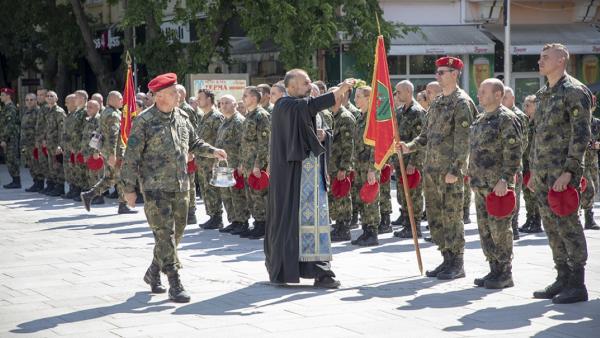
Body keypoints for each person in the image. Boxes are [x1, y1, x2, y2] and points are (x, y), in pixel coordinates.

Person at [121, 73, 227, 303]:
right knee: (165, 235)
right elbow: (131, 157)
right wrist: (128, 189)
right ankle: (174, 282)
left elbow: (194, 142)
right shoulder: (144, 121)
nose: (178, 96)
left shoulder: (181, 116)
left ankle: (152, 272)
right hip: (155, 187)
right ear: (159, 96)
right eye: (172, 93)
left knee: (175, 235)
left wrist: (213, 150)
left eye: (177, 92)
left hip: (181, 185)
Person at [265, 69, 352, 288]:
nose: (309, 84)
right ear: (291, 86)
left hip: (314, 178)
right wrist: (337, 93)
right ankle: (286, 269)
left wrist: (324, 136)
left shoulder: (306, 106)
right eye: (305, 82)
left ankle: (320, 271)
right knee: (293, 222)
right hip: (293, 178)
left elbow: (318, 130)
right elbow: (306, 109)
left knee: (317, 223)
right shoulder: (284, 106)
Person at [398, 56, 478, 280]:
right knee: (435, 217)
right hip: (431, 171)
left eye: (442, 72)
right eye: (438, 72)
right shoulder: (438, 102)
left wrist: (456, 169)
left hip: (448, 173)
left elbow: (464, 141)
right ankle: (446, 258)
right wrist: (409, 147)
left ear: (454, 74)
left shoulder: (462, 103)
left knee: (451, 216)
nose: (438, 76)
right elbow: (426, 135)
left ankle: (457, 262)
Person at [528, 43, 590, 304]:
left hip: (562, 174)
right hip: (543, 174)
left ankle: (577, 283)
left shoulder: (574, 91)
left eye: (545, 57)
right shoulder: (543, 94)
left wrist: (570, 170)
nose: (540, 61)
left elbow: (581, 134)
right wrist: (532, 170)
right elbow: (538, 136)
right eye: (540, 57)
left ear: (561, 60)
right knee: (551, 227)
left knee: (568, 226)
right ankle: (562, 276)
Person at [470, 78, 523, 289]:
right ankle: (493, 269)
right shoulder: (480, 119)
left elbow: (515, 152)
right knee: (485, 230)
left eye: (484, 91)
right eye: (480, 91)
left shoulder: (506, 119)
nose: (479, 94)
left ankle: (505, 273)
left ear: (498, 95)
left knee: (500, 229)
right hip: (481, 185)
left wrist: (505, 179)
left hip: (497, 186)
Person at [81, 91, 137, 214]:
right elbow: (113, 136)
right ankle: (123, 205)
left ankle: (89, 195)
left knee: (110, 178)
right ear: (112, 100)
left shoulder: (107, 112)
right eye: (120, 98)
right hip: (115, 152)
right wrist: (113, 155)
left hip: (107, 151)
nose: (122, 101)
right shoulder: (113, 115)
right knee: (123, 177)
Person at [392, 80, 427, 239]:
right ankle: (407, 222)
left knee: (413, 194)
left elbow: (421, 140)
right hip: (400, 160)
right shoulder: (399, 111)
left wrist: (413, 163)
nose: (397, 95)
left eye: (399, 92)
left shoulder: (417, 112)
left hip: (412, 162)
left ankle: (415, 226)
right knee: (403, 193)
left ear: (408, 92)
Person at [351, 85, 382, 246]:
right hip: (359, 165)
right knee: (361, 197)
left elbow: (376, 146)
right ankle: (365, 230)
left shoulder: (373, 118)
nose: (355, 99)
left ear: (369, 98)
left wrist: (372, 168)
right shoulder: (360, 117)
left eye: (358, 96)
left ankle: (372, 233)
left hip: (369, 166)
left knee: (370, 199)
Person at [238, 86, 271, 238]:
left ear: (253, 98)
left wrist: (259, 164)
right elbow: (245, 143)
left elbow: (264, 143)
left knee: (259, 196)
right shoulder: (248, 116)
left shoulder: (261, 116)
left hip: (256, 164)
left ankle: (262, 225)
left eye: (245, 95)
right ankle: (257, 222)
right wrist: (241, 163)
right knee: (250, 195)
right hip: (247, 164)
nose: (243, 98)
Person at [215, 95, 250, 235]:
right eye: (221, 103)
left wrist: (242, 163)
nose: (223, 106)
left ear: (235, 105)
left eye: (227, 103)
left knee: (237, 194)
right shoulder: (225, 121)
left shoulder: (239, 121)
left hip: (235, 164)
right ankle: (234, 220)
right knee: (227, 194)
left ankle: (242, 222)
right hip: (224, 165)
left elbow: (244, 144)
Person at [326, 85, 356, 242]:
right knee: (334, 197)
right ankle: (338, 225)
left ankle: (344, 228)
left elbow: (348, 146)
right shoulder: (331, 116)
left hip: (339, 166)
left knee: (342, 197)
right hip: (331, 165)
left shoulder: (345, 117)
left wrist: (344, 168)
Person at [503, 86, 529, 240]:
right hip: (499, 165)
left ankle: (514, 226)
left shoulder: (519, 116)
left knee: (514, 195)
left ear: (512, 99)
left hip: (514, 164)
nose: (502, 100)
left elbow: (523, 143)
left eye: (505, 97)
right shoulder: (499, 114)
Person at [195, 88, 225, 229]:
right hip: (202, 161)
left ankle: (217, 217)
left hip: (212, 161)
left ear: (209, 99)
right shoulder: (203, 117)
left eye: (200, 97)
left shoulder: (216, 117)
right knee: (206, 189)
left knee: (212, 189)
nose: (197, 100)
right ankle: (211, 215)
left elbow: (220, 139)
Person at [519, 95, 543, 233]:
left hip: (535, 164)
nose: (525, 108)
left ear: (536, 106)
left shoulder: (540, 122)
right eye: (525, 105)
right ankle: (530, 218)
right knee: (527, 193)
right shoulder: (526, 121)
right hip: (525, 162)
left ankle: (537, 221)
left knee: (535, 193)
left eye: (528, 105)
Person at [44, 91, 67, 197]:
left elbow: (62, 130)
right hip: (49, 143)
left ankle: (60, 187)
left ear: (56, 99)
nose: (49, 98)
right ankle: (54, 186)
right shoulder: (48, 111)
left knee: (58, 166)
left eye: (51, 96)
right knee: (51, 166)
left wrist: (60, 145)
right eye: (47, 96)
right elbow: (47, 128)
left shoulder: (59, 111)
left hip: (56, 144)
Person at [21, 93, 43, 191]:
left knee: (36, 164)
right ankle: (35, 182)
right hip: (27, 143)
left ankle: (40, 184)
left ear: (36, 101)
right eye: (27, 100)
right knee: (30, 164)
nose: (29, 102)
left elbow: (40, 128)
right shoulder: (26, 112)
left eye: (31, 100)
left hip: (35, 143)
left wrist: (38, 141)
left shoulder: (38, 112)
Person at [0, 88, 21, 188]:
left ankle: (17, 181)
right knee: (9, 159)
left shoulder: (11, 108)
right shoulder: (5, 108)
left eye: (3, 95)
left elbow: (10, 125)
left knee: (12, 159)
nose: (1, 97)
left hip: (11, 138)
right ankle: (15, 180)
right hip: (8, 138)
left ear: (8, 96)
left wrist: (4, 139)